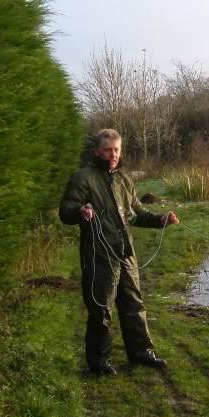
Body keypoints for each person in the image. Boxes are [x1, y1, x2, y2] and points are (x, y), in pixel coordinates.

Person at [59, 129, 179, 376]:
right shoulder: (83, 178)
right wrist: (80, 210)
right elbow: (66, 209)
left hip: (126, 253)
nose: (113, 154)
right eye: (107, 150)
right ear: (97, 151)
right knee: (101, 308)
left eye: (116, 150)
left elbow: (135, 213)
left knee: (134, 303)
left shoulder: (124, 178)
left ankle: (141, 352)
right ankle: (99, 362)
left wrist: (160, 220)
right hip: (98, 254)